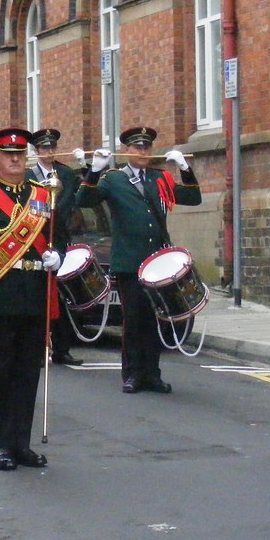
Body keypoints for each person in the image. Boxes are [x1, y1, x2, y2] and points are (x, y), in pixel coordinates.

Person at [0, 128, 63, 471]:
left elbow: (58, 235)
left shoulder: (42, 195)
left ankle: (22, 444)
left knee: (28, 373)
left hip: (34, 294)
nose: (15, 159)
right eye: (7, 153)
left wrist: (57, 255)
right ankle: (1, 444)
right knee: (1, 372)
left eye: (20, 153)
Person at [75, 126, 202, 394]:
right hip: (130, 262)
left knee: (155, 319)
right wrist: (94, 171)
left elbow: (193, 197)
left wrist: (185, 169)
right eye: (137, 148)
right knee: (133, 321)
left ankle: (152, 374)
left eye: (146, 148)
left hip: (156, 262)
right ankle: (132, 374)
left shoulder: (160, 178)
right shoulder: (113, 179)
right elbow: (84, 200)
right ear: (127, 151)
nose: (143, 152)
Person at [30, 128, 84, 366]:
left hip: (58, 236)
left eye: (52, 148)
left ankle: (62, 348)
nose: (49, 152)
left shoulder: (66, 174)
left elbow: (70, 201)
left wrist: (87, 167)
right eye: (44, 148)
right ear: (36, 151)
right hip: (35, 236)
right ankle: (37, 348)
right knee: (36, 295)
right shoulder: (28, 174)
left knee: (61, 296)